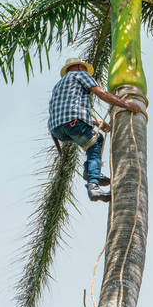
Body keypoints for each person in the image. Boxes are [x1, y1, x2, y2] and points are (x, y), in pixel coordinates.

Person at [49, 57, 141, 202]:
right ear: (79, 67)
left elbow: (65, 112)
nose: (86, 71)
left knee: (91, 141)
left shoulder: (58, 85)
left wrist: (95, 122)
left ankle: (91, 171)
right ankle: (93, 184)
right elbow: (102, 94)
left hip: (57, 130)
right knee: (96, 141)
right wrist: (126, 105)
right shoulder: (81, 75)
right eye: (85, 68)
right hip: (72, 123)